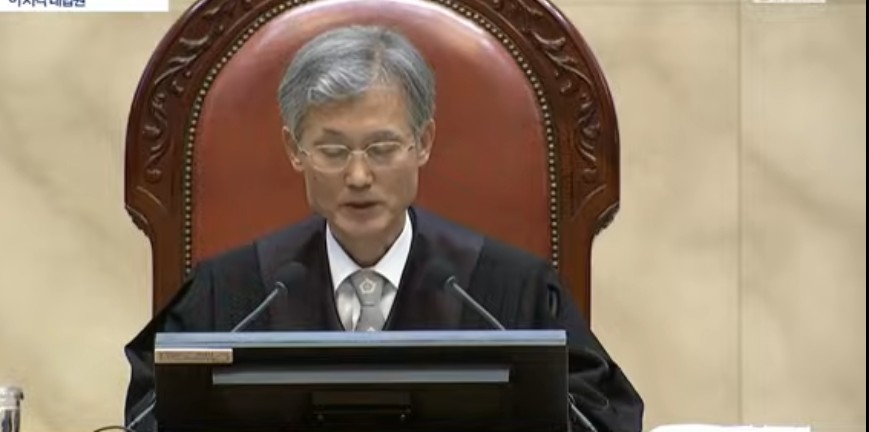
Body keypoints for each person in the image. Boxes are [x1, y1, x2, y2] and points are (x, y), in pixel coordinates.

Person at [123, 25, 644, 432]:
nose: (358, 176)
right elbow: (152, 413)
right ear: (294, 150)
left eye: (382, 148)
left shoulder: (509, 292)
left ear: (423, 143)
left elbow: (601, 418)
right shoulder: (234, 294)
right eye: (332, 150)